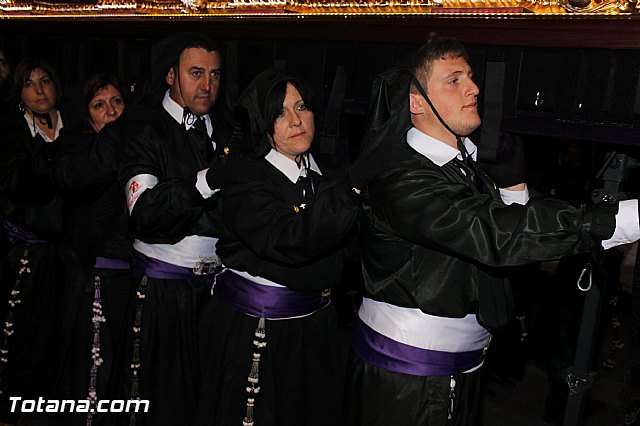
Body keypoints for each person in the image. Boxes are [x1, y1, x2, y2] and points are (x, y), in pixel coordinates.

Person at [345, 33, 640, 426]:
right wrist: (619, 220)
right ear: (416, 102)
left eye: (470, 76)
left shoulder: (463, 166)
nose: (474, 87)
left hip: (460, 368)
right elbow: (493, 233)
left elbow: (501, 251)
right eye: (454, 80)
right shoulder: (401, 179)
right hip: (409, 379)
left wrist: (513, 185)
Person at [196, 68, 384, 426]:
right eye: (280, 113)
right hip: (257, 334)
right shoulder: (247, 180)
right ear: (262, 124)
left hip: (316, 333)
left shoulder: (325, 179)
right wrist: (353, 188)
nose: (296, 120)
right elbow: (291, 241)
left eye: (302, 106)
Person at [113, 32, 238, 425]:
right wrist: (207, 181)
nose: (207, 86)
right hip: (164, 292)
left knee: (209, 398)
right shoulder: (142, 128)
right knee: (161, 400)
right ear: (170, 74)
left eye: (215, 75)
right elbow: (146, 215)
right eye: (196, 73)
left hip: (219, 290)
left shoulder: (230, 127)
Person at [0, 57, 80, 426]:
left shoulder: (76, 127)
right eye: (30, 84)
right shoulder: (12, 131)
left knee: (61, 335)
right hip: (25, 250)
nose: (39, 90)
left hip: (68, 252)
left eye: (45, 81)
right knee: (22, 335)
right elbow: (22, 188)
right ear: (19, 93)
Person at [52, 73, 134, 426]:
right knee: (95, 369)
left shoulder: (141, 146)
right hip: (95, 276)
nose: (111, 111)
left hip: (128, 276)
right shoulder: (79, 151)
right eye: (100, 105)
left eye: (117, 101)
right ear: (87, 115)